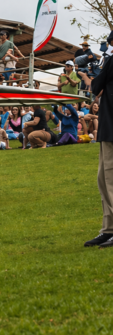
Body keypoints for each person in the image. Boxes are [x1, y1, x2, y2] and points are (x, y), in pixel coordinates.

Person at [86, 32, 113, 247]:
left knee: (110, 181)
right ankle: (108, 229)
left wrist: (91, 76)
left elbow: (96, 87)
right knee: (103, 180)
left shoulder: (111, 61)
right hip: (108, 128)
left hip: (112, 129)